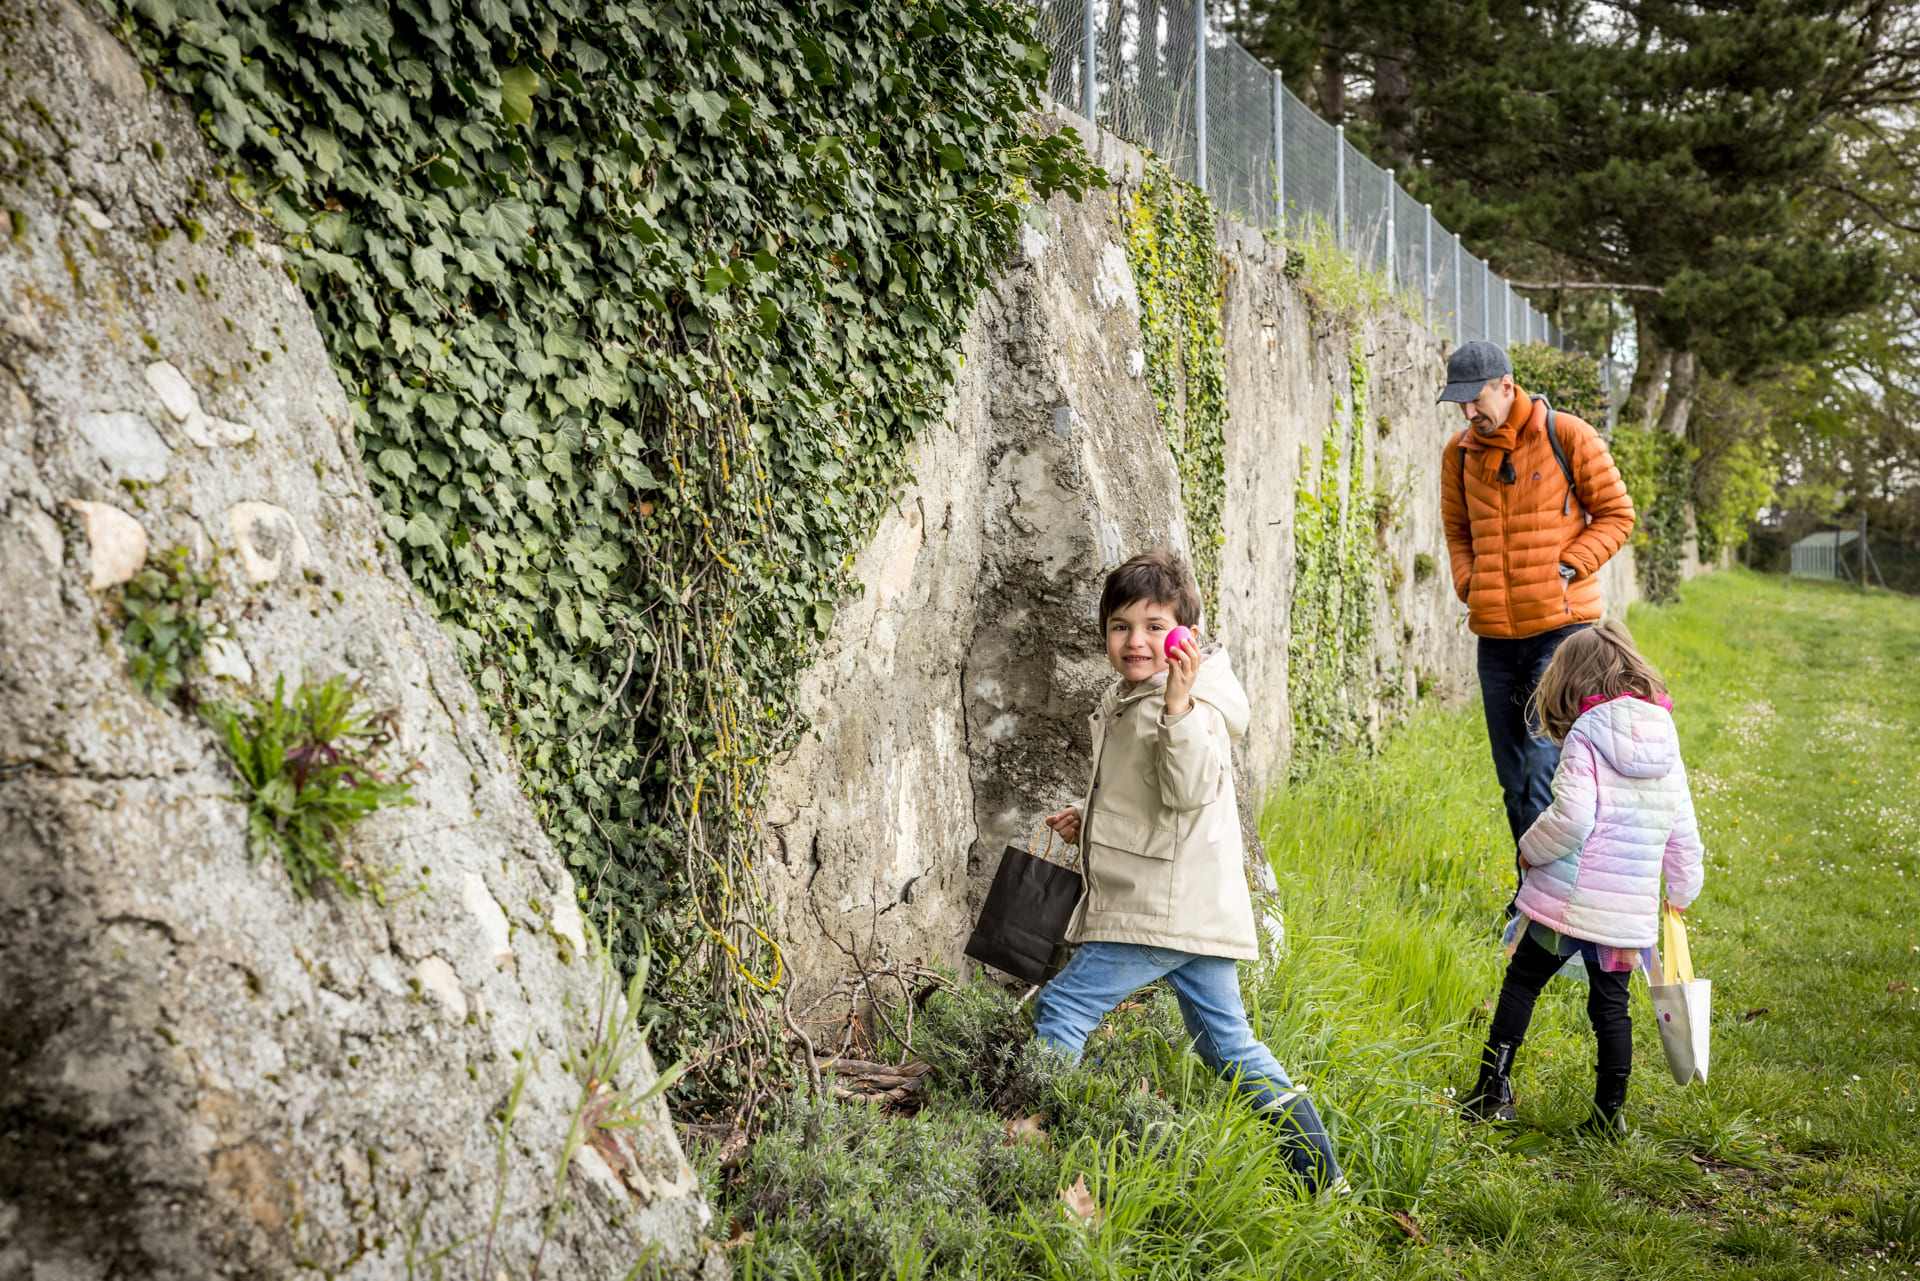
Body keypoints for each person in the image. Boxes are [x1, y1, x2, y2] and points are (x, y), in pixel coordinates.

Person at [1034, 549, 1342, 1195]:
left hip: (1158, 905)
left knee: (1063, 1007)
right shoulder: (1138, 695)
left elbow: (1191, 784)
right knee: (1227, 1046)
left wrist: (1177, 705)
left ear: (1185, 636)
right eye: (1121, 626)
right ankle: (1322, 1175)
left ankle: (1037, 1158)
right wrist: (1088, 817)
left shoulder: (1186, 703)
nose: (1136, 640)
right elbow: (1150, 796)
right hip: (1189, 901)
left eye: (1154, 625)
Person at [1462, 620, 1705, 1134]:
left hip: (1568, 901)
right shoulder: (1667, 737)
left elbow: (1572, 819)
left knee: (1523, 981)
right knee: (1611, 1007)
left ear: (1571, 681)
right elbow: (1683, 826)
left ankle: (1493, 1090)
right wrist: (1682, 891)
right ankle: (1608, 1116)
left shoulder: (1586, 736)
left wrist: (1529, 850)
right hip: (1626, 911)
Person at [1438, 341, 1636, 908]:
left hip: (1562, 632)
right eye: (1460, 406)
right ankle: (1536, 895)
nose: (1469, 415)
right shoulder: (1458, 455)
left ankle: (1566, 895)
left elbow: (1618, 514)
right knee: (1512, 776)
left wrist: (1572, 563)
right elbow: (1457, 534)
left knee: (1543, 765)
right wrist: (1470, 585)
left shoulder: (1566, 435)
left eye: (1475, 401)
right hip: (1496, 639)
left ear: (1506, 386)